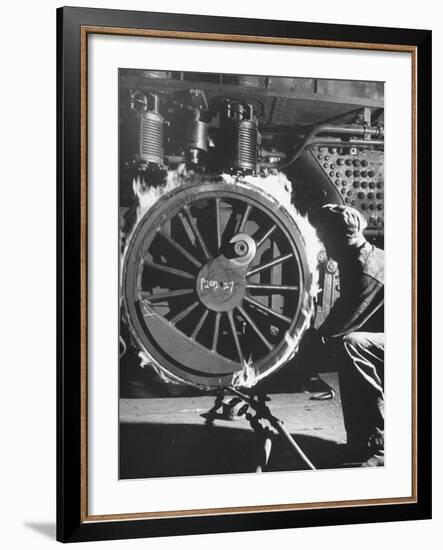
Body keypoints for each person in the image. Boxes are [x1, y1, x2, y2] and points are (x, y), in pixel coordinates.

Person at [309, 204, 385, 467]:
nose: (322, 243)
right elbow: (342, 310)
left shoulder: (366, 269)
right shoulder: (354, 259)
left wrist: (303, 349)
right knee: (348, 346)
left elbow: (345, 321)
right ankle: (360, 444)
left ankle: (379, 445)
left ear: (344, 237)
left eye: (325, 237)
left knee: (353, 345)